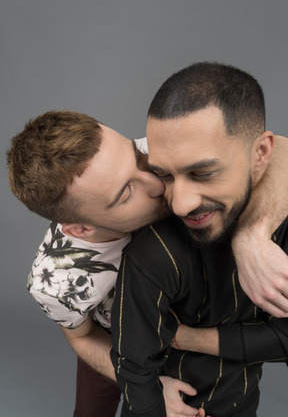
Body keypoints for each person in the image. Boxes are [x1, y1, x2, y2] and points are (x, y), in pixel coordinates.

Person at [7, 105, 288, 415]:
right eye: (127, 192)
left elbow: (279, 149)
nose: (157, 184)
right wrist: (149, 385)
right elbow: (83, 336)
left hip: (183, 322)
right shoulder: (57, 282)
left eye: (138, 159)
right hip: (113, 340)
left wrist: (252, 238)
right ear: (82, 228)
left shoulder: (156, 152)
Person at [110, 62, 288, 417]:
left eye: (203, 172)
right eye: (165, 175)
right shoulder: (152, 252)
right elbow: (133, 366)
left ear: (261, 154)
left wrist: (185, 337)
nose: (180, 204)